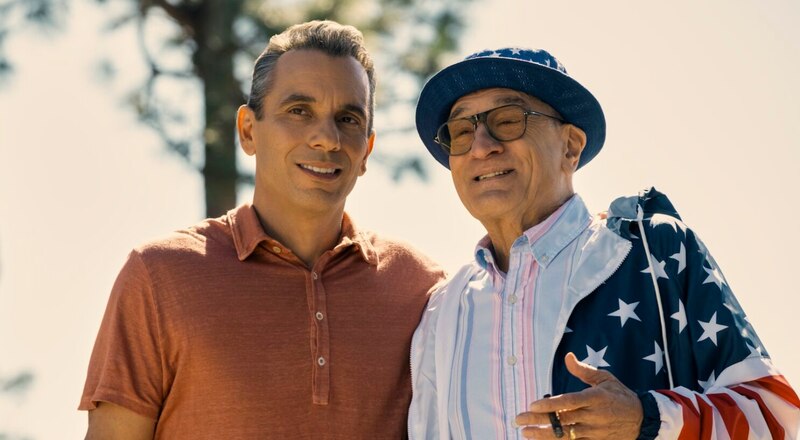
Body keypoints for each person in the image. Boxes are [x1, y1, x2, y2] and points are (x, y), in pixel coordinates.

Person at [408, 47, 800, 439]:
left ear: (571, 147)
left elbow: (778, 418)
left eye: (508, 120)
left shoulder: (653, 247)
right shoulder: (441, 312)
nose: (481, 146)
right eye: (461, 131)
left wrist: (646, 419)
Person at [79, 20, 444, 439]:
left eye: (347, 118)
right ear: (248, 131)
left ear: (367, 151)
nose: (327, 138)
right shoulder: (160, 276)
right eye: (299, 111)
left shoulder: (422, 289)